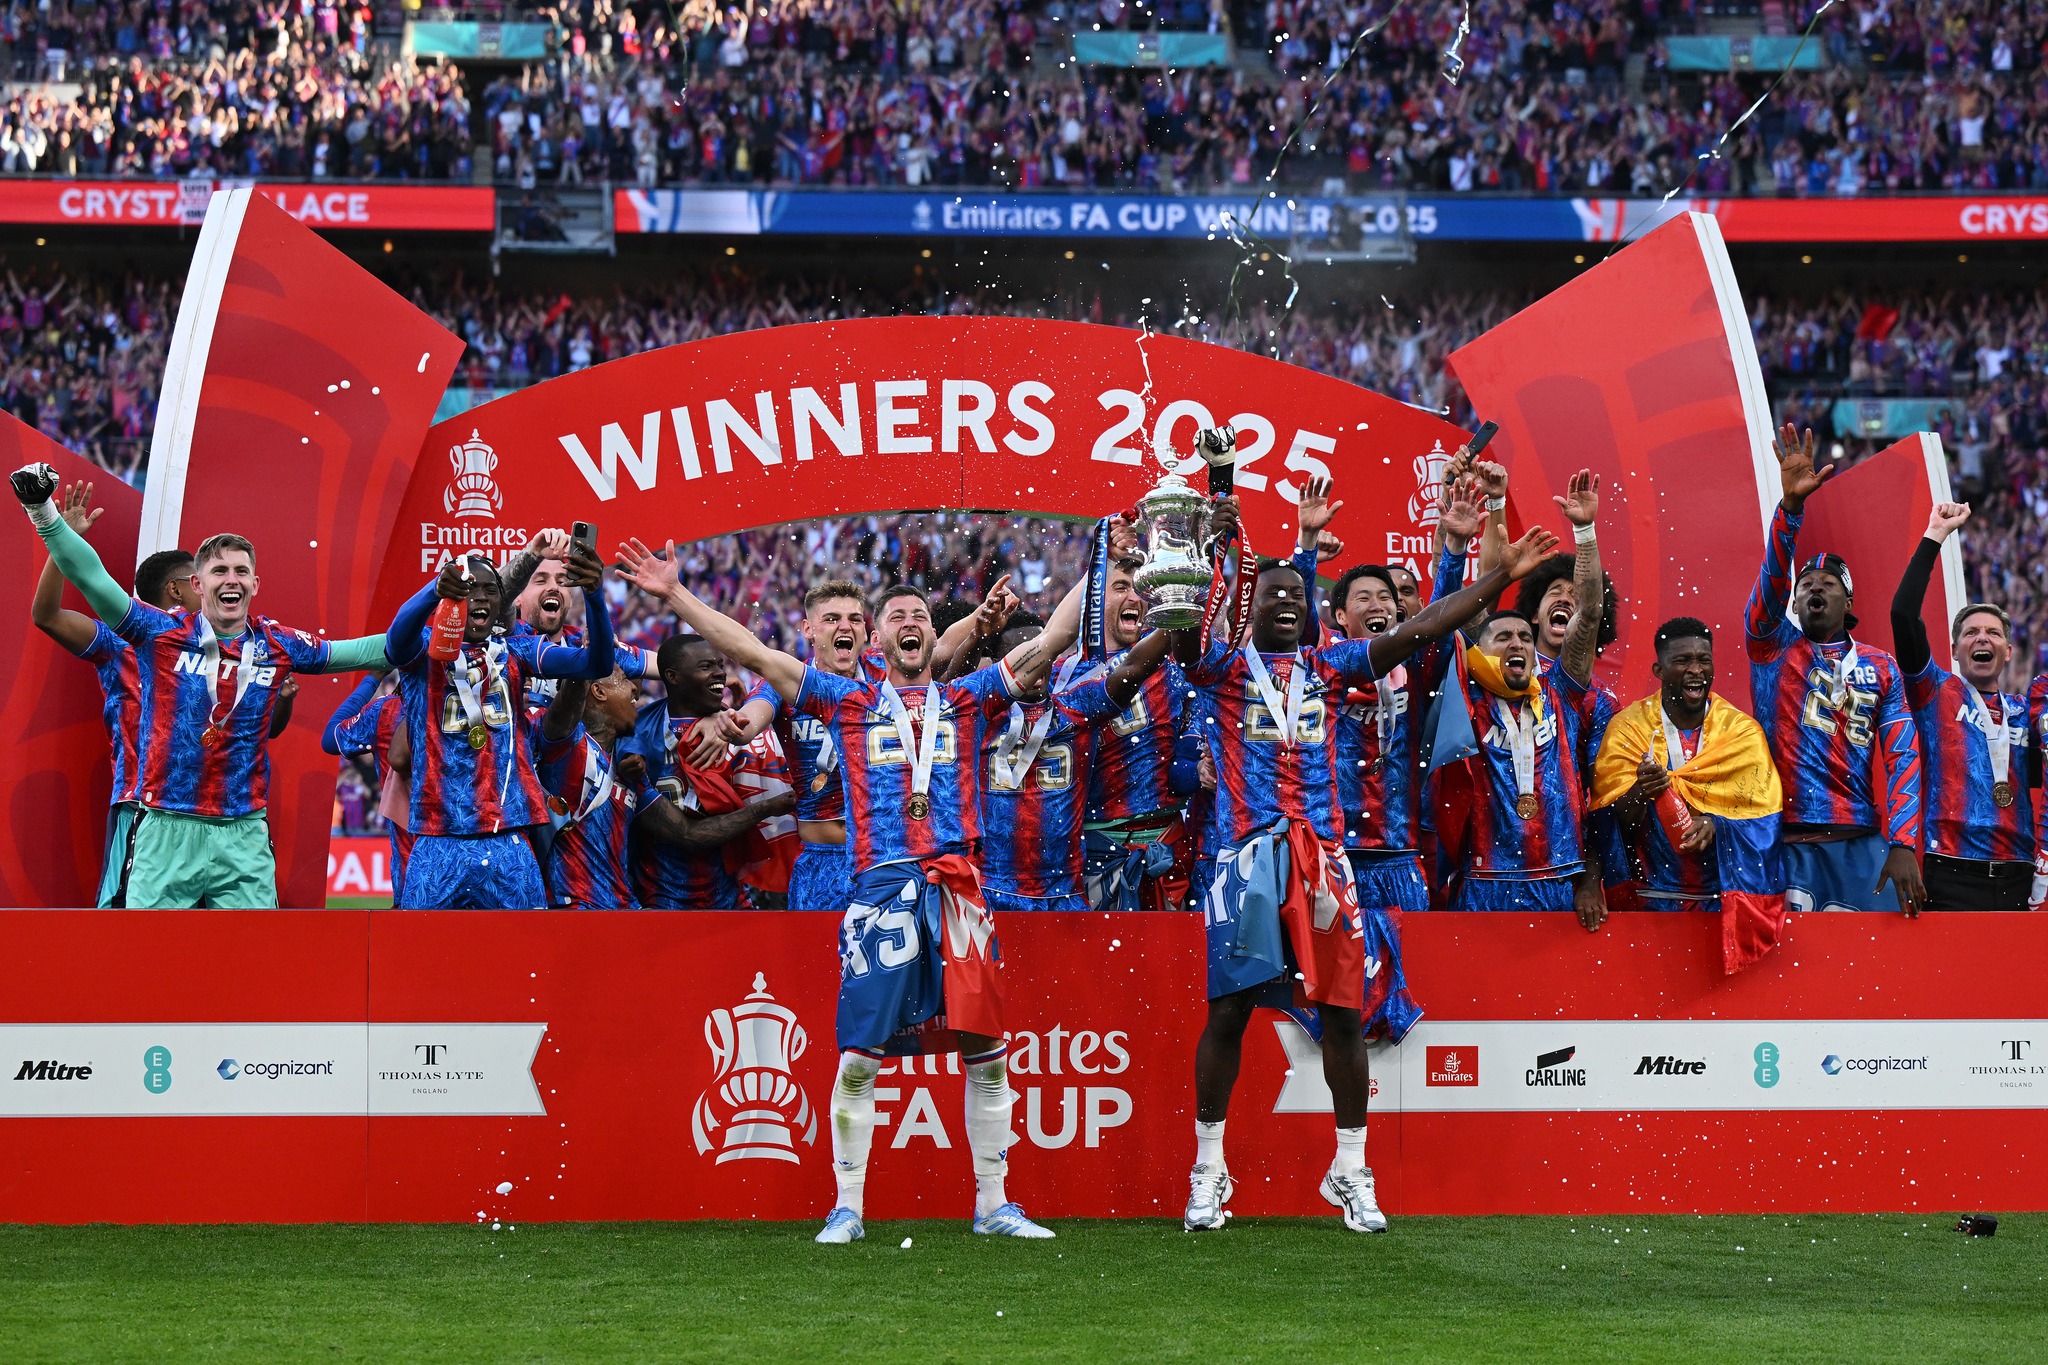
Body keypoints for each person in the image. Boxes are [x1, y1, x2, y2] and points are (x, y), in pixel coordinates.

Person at [615, 534, 1085, 1244]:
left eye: (917, 616)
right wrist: (675, 594)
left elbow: (1051, 636)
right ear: (879, 634)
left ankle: (994, 1203)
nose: (907, 622)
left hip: (958, 886)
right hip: (879, 890)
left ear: (931, 634)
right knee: (861, 1053)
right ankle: (849, 1207)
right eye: (895, 614)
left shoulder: (967, 696)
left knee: (986, 1045)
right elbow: (753, 653)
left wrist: (1110, 547)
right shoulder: (845, 699)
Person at [1182, 492, 1559, 1237]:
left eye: (1298, 593)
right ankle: (1208, 1169)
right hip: (1245, 858)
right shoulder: (1222, 668)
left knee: (1345, 1012)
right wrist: (1216, 544)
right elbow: (1199, 612)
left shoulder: (1331, 665)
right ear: (1249, 602)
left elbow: (1426, 626)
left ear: (1313, 611)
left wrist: (1496, 582)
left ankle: (1350, 1167)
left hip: (1324, 858)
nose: (1286, 602)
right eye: (1274, 592)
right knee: (1227, 1013)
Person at [12, 461, 386, 908]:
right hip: (161, 818)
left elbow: (363, 652)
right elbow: (91, 581)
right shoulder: (155, 633)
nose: (232, 580)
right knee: (149, 960)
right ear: (195, 584)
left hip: (243, 828)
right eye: (219, 571)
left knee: (248, 966)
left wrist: (440, 626)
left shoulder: (278, 644)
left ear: (255, 583)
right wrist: (44, 514)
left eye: (241, 571)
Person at [30, 481, 300, 904]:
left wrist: (282, 699)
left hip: (219, 816)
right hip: (141, 804)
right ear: (179, 589)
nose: (219, 583)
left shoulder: (239, 656)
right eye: (203, 577)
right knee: (132, 930)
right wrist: (63, 544)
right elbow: (45, 617)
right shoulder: (121, 642)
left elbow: (269, 733)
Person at [1745, 424, 1925, 914]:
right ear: (1795, 603)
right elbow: (1770, 586)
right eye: (1806, 586)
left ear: (1848, 603)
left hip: (1859, 837)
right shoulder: (1772, 648)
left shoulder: (1880, 665)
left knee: (1875, 976)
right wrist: (1791, 512)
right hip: (1785, 839)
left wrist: (1904, 842)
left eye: (1827, 584)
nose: (1814, 590)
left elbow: (1903, 754)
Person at [382, 549, 616, 909]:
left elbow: (596, 662)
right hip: (438, 840)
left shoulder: (516, 651)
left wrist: (596, 595)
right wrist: (434, 590)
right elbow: (396, 640)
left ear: (500, 604)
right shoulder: (423, 652)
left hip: (508, 838)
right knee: (421, 958)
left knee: (525, 959)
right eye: (469, 587)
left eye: (491, 590)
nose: (480, 596)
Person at [1440, 471, 1608, 922]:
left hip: (1557, 878)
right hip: (1483, 880)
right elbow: (1474, 606)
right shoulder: (1466, 692)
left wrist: (1585, 532)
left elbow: (1589, 614)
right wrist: (1493, 523)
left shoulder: (1562, 691)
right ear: (1481, 648)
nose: (1517, 643)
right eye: (1504, 637)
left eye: (1523, 637)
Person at [1588, 618, 1786, 928]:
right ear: (1659, 671)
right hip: (1649, 905)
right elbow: (1607, 822)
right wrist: (1642, 791)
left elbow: (1765, 822)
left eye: (1704, 660)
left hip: (1720, 907)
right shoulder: (1628, 729)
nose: (1696, 669)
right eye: (1683, 660)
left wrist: (1717, 826)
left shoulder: (1741, 733)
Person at [1890, 502, 2034, 909]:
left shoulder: (2028, 712)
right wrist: (1935, 534)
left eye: (1993, 633)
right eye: (1971, 633)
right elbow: (1903, 614)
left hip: (2018, 872)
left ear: (2008, 651)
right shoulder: (1934, 691)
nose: (1982, 639)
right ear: (1954, 650)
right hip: (1950, 869)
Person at [618, 634, 796, 909]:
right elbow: (688, 836)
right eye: (706, 666)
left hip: (731, 899)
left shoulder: (737, 728)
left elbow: (778, 684)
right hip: (658, 900)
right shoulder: (638, 732)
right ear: (672, 677)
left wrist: (737, 712)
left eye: (720, 664)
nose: (720, 673)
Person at [503, 528, 657, 709]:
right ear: (517, 598)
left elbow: (670, 666)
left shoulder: (583, 643)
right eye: (541, 580)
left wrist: (672, 592)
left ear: (570, 596)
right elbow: (498, 598)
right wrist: (532, 554)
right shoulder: (505, 637)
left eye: (562, 581)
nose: (553, 587)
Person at [321, 669, 410, 903]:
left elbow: (331, 739)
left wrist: (374, 677)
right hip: (494, 847)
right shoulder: (490, 705)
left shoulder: (388, 711)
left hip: (415, 865)